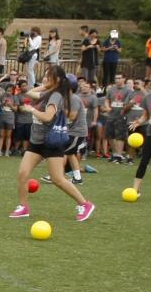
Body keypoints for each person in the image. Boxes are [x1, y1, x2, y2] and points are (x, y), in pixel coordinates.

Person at [9, 66, 95, 222]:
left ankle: (85, 204)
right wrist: (47, 84)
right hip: (37, 141)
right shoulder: (50, 92)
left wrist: (31, 110)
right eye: (46, 76)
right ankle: (23, 207)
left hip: (51, 142)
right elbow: (29, 92)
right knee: (22, 173)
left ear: (58, 80)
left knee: (58, 179)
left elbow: (48, 117)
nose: (45, 79)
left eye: (49, 77)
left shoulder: (55, 96)